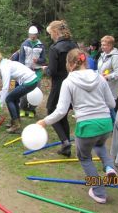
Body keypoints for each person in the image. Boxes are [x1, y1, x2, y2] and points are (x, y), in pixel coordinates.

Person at [37, 48, 117, 204]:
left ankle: (99, 192)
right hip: (106, 124)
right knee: (100, 145)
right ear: (84, 61)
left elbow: (60, 111)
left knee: (85, 157)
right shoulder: (100, 78)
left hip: (87, 126)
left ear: (70, 64)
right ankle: (109, 167)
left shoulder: (69, 82)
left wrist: (44, 121)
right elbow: (112, 103)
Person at [44, 20, 78, 157]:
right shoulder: (74, 45)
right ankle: (66, 145)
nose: (50, 36)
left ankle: (65, 142)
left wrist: (46, 69)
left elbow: (52, 71)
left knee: (51, 111)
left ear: (56, 32)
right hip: (73, 82)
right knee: (62, 113)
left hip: (59, 84)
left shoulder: (55, 48)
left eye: (50, 33)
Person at [0, 52, 38, 133]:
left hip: (29, 82)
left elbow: (5, 88)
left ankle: (16, 125)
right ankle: (16, 122)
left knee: (9, 99)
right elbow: (4, 88)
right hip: (32, 80)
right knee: (14, 99)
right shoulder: (6, 63)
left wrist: (1, 103)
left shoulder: (4, 68)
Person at [18, 25, 46, 118]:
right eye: (31, 35)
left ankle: (32, 110)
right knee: (24, 90)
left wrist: (38, 61)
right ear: (29, 34)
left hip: (37, 71)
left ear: (37, 35)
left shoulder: (41, 45)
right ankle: (22, 108)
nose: (33, 37)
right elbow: (21, 59)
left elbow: (44, 60)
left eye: (34, 35)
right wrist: (21, 70)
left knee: (35, 91)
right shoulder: (24, 44)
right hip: (26, 71)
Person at [97, 35, 118, 123]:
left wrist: (107, 77)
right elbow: (101, 70)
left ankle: (117, 127)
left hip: (110, 87)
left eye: (104, 45)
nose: (102, 46)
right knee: (105, 108)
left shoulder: (115, 56)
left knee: (110, 108)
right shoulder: (103, 55)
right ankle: (109, 126)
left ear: (110, 45)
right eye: (102, 44)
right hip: (102, 86)